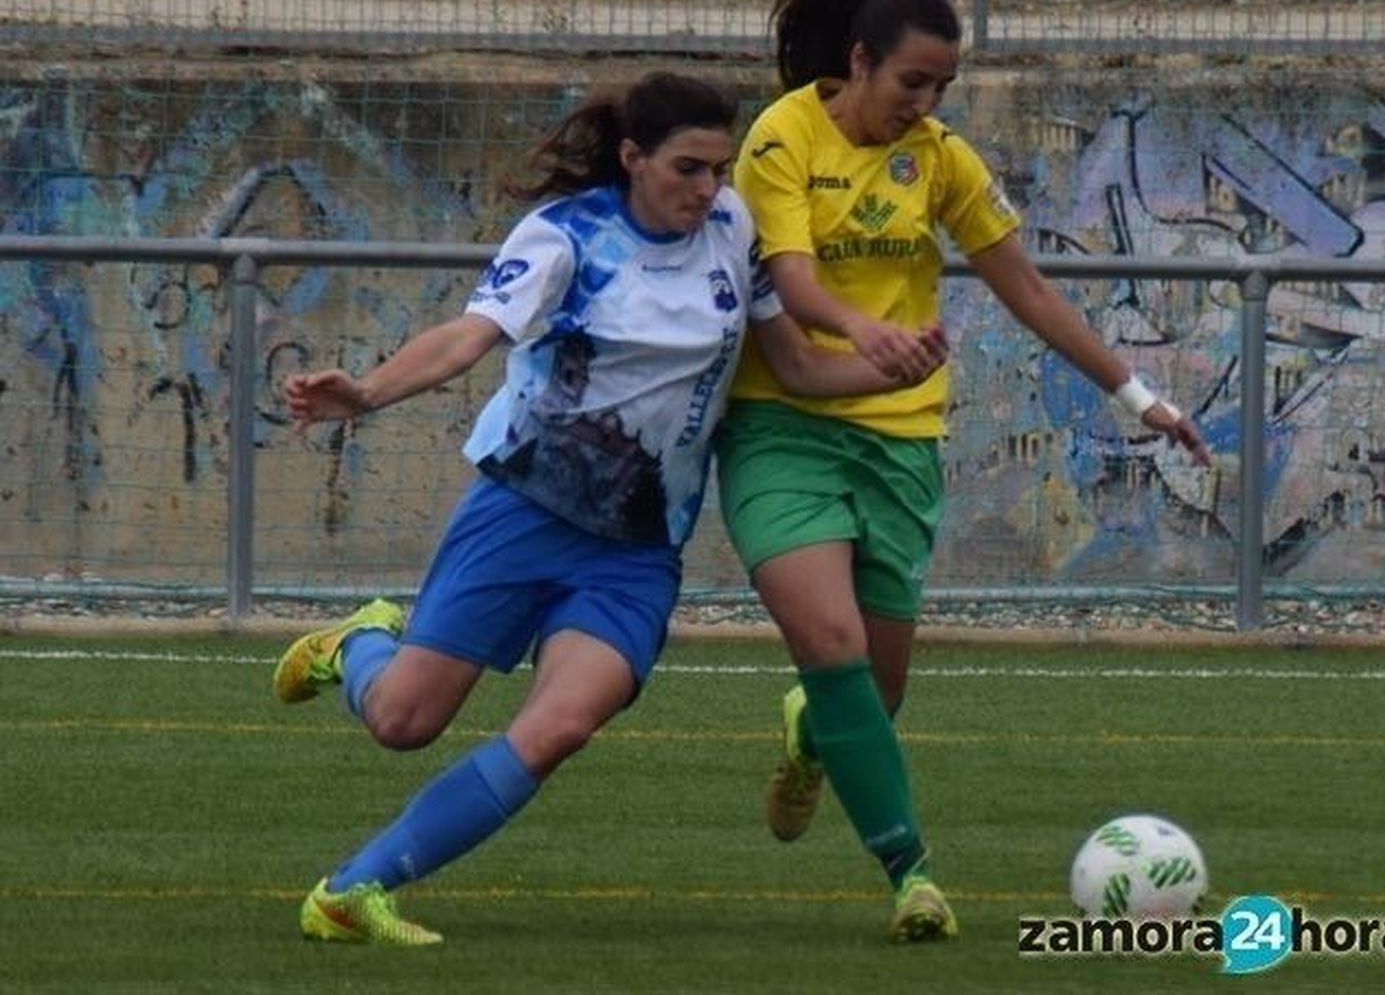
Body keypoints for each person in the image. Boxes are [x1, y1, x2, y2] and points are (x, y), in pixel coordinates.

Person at [271, 71, 946, 947]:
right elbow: (468, 336)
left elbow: (800, 369)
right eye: (687, 169)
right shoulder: (566, 237)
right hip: (523, 513)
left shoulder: (736, 230)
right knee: (404, 720)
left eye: (720, 169)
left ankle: (352, 890)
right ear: (632, 158)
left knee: (560, 726)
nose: (708, 190)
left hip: (635, 549)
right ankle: (357, 643)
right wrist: (366, 390)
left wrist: (891, 367)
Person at [717, 0, 1213, 943]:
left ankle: (811, 735)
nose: (926, 104)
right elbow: (792, 277)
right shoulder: (783, 136)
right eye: (911, 82)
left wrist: (1138, 394)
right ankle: (912, 874)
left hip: (900, 440)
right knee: (832, 645)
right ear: (859, 62)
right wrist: (866, 333)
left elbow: (1028, 289)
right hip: (783, 425)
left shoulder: (938, 157)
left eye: (941, 88)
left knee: (875, 688)